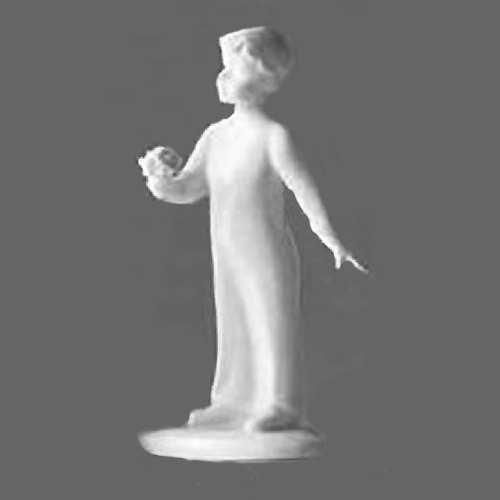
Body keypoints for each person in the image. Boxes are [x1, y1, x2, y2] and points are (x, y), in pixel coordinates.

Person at [138, 27, 368, 434]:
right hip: (227, 250)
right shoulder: (215, 136)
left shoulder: (271, 137)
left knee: (268, 320)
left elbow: (304, 190)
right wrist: (160, 180)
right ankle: (231, 402)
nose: (222, 75)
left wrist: (331, 239)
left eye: (233, 65)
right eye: (223, 65)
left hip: (266, 251)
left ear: (265, 74)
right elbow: (189, 187)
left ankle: (280, 403)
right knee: (234, 322)